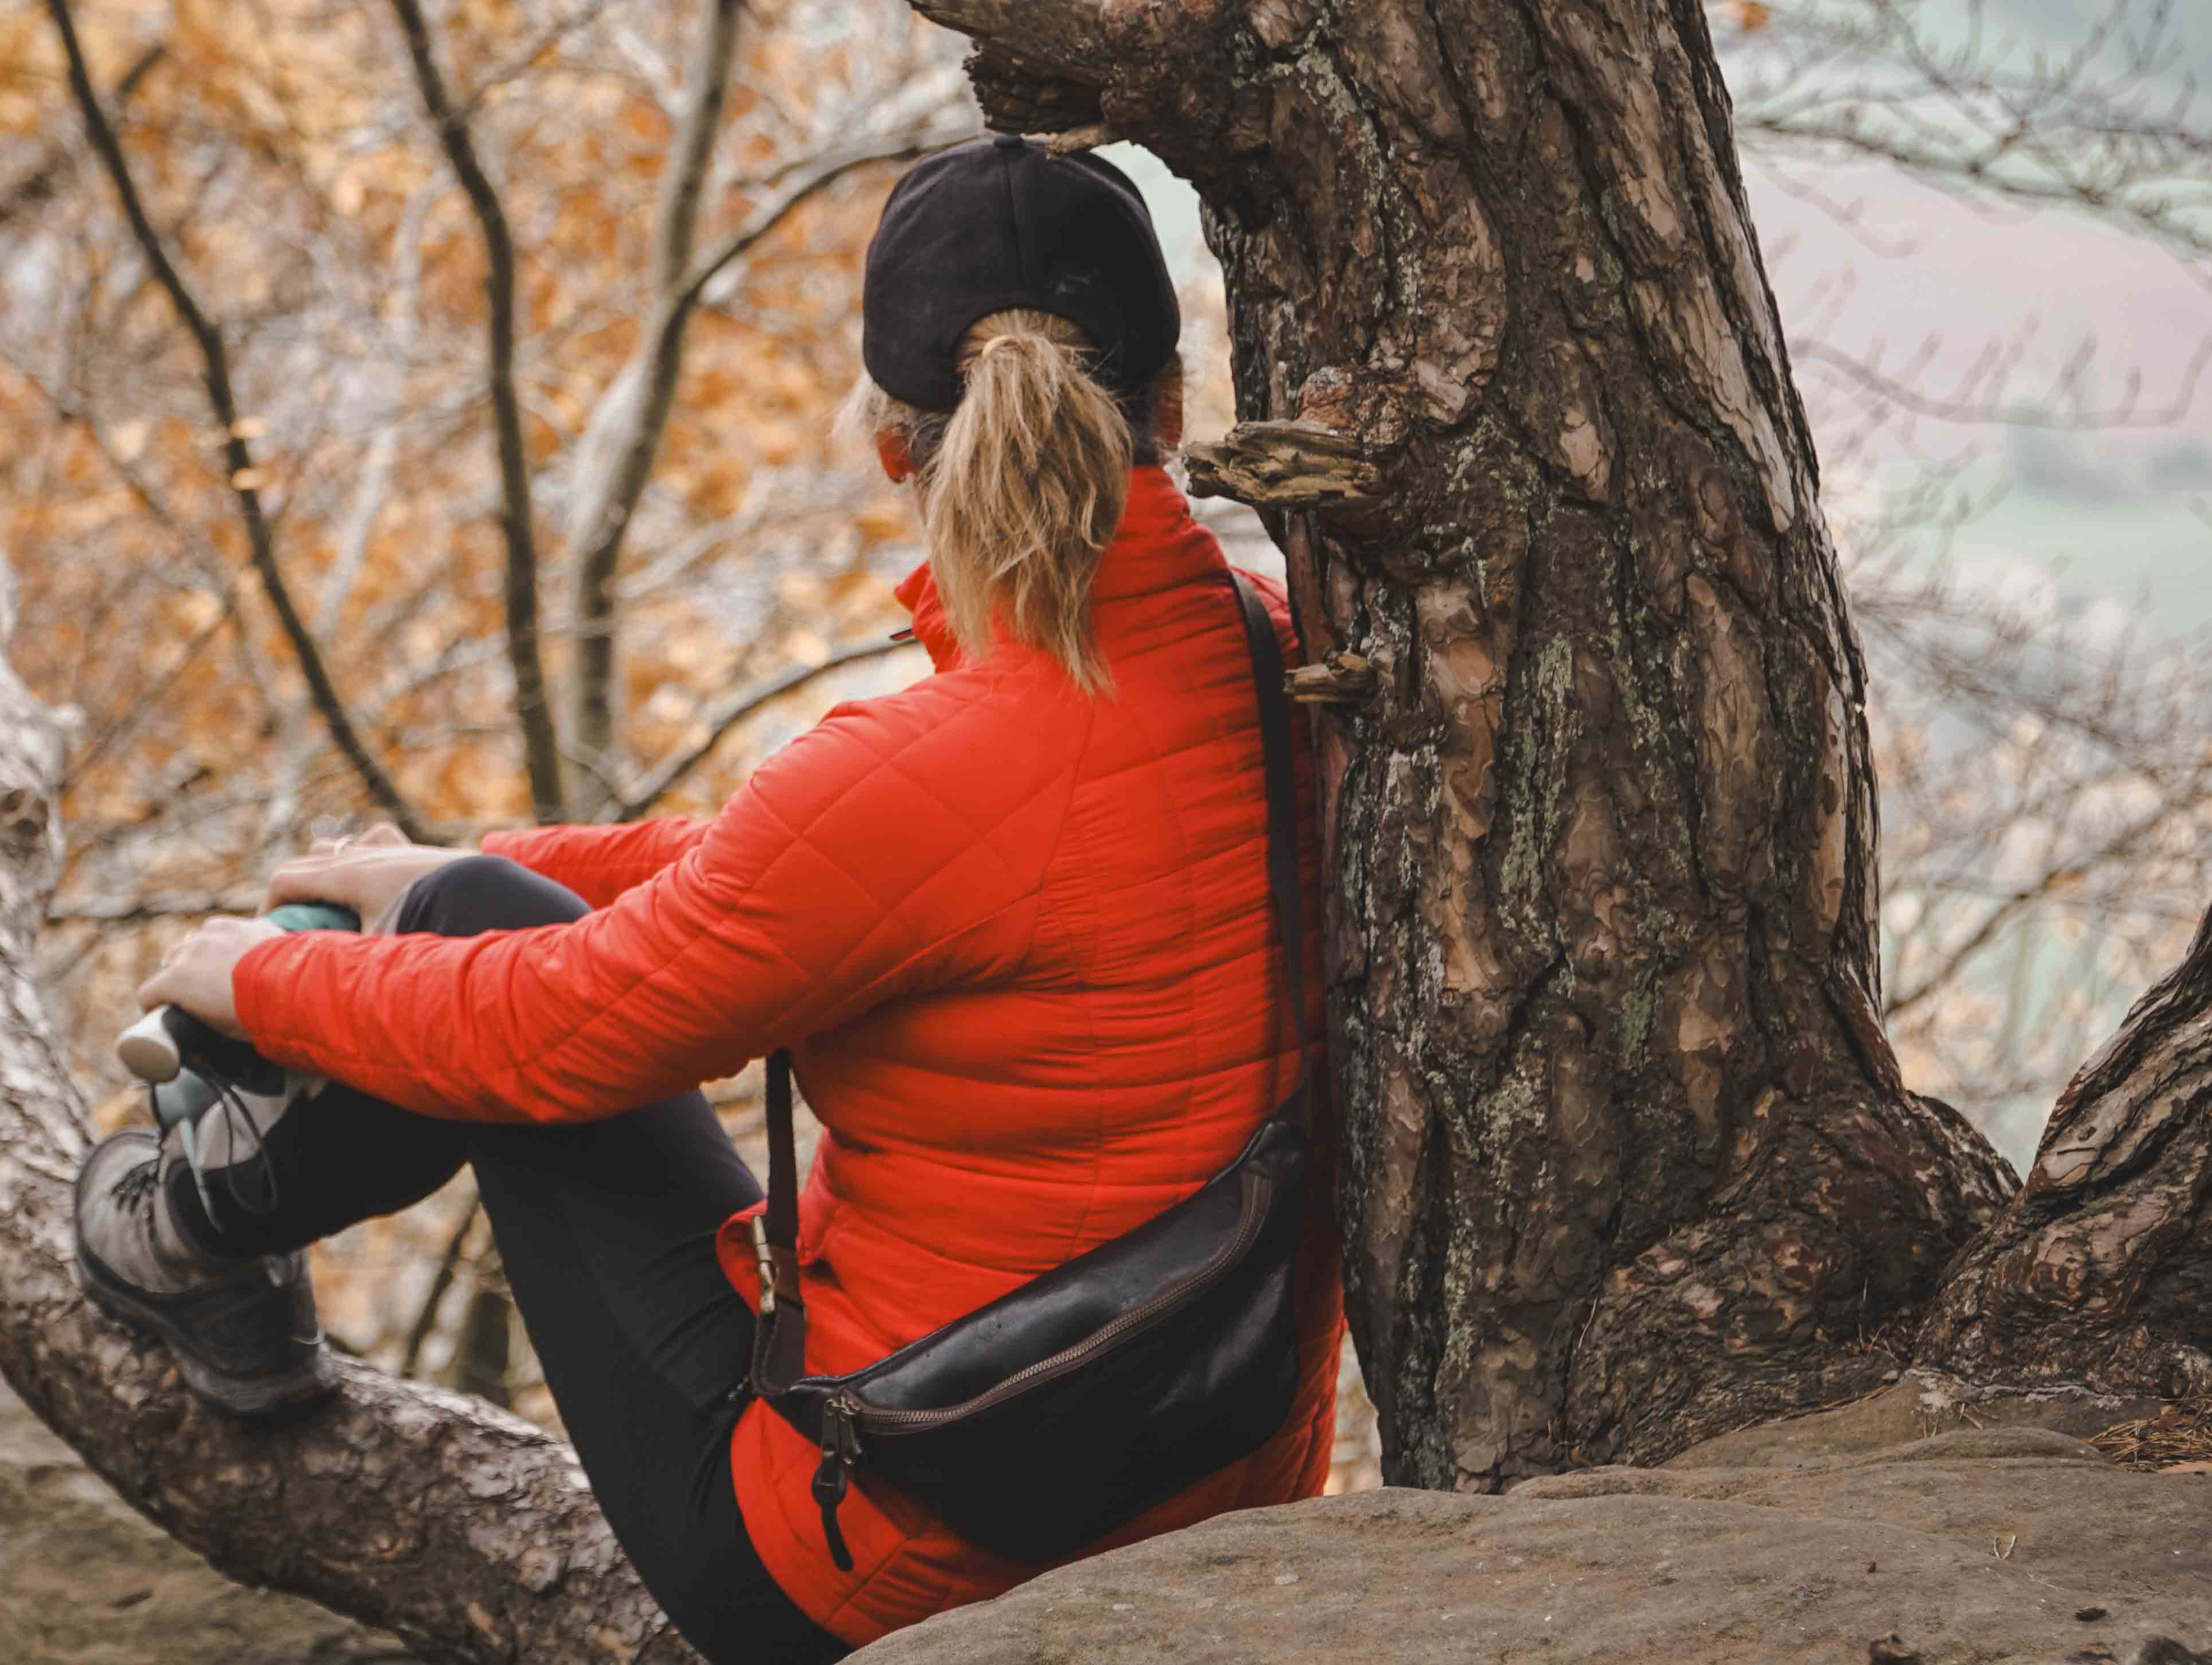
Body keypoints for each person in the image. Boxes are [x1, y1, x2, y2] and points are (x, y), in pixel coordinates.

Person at [71, 133, 1343, 1661]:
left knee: (481, 948)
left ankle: (190, 1230)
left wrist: (253, 978)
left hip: (905, 1543)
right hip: (1204, 1470)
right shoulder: (1294, 669)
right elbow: (838, 874)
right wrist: (499, 865)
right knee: (480, 902)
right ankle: (222, 1198)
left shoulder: (930, 762)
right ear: (1175, 409)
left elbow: (557, 1035)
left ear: (895, 445)